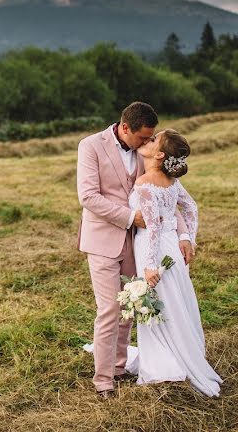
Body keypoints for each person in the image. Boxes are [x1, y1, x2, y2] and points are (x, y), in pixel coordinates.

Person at [76, 102, 193, 399]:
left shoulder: (144, 153)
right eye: (142, 138)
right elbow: (88, 197)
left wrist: (183, 234)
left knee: (131, 305)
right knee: (109, 309)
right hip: (103, 240)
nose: (147, 144)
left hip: (138, 243)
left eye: (150, 139)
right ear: (125, 127)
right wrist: (131, 217)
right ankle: (103, 381)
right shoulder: (90, 146)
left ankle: (118, 366)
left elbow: (166, 194)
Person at [124, 128, 222, 397]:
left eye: (154, 139)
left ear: (160, 154)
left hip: (153, 248)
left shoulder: (145, 183)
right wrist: (188, 237)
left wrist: (149, 265)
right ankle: (182, 354)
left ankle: (164, 363)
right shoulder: (170, 182)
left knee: (158, 306)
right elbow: (191, 208)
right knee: (175, 303)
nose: (149, 138)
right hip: (173, 251)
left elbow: (152, 225)